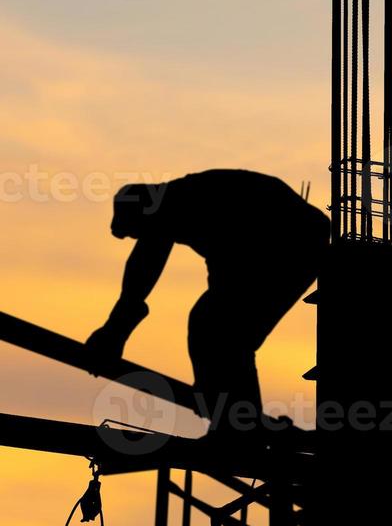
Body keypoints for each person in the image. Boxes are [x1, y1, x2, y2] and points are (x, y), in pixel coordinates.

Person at [84, 170, 330, 438]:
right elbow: (151, 265)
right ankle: (237, 419)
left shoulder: (178, 203)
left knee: (219, 326)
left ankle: (238, 425)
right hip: (291, 244)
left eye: (138, 231)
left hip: (293, 244)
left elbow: (146, 262)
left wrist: (115, 329)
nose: (140, 238)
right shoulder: (184, 203)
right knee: (223, 329)